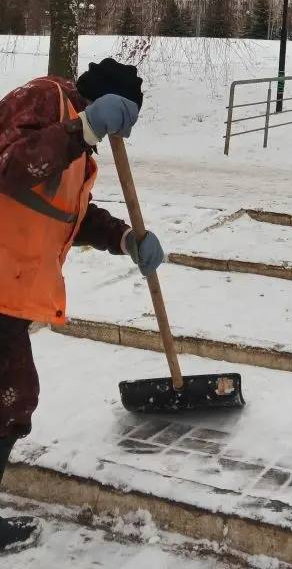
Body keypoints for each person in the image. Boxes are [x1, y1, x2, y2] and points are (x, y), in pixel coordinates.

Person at [0, 58, 165, 553]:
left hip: (10, 287)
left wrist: (123, 239)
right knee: (12, 398)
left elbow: (62, 207)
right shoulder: (44, 99)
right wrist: (83, 128)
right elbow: (10, 166)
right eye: (120, 118)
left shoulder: (77, 141)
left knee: (11, 399)